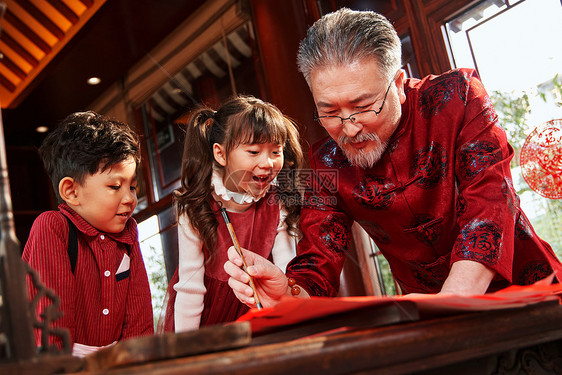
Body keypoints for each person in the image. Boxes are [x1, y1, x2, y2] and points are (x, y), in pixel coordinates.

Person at [224, 8, 562, 307]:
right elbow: (319, 256)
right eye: (329, 112)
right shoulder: (323, 160)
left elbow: (489, 201)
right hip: (434, 317)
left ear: (398, 83)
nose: (350, 129)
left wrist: (454, 297)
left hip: (529, 292)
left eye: (363, 107)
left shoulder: (459, 97)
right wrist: (288, 292)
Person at [159, 95, 304, 332]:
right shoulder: (196, 205)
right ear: (221, 154)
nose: (268, 163)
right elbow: (190, 288)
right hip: (208, 316)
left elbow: (287, 270)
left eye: (276, 152)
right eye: (254, 151)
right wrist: (188, 349)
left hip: (261, 310)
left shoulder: (278, 200)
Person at [23, 111, 154, 357]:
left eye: (133, 187)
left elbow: (140, 320)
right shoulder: (53, 228)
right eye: (115, 187)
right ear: (71, 191)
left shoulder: (129, 234)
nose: (129, 198)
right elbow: (52, 325)